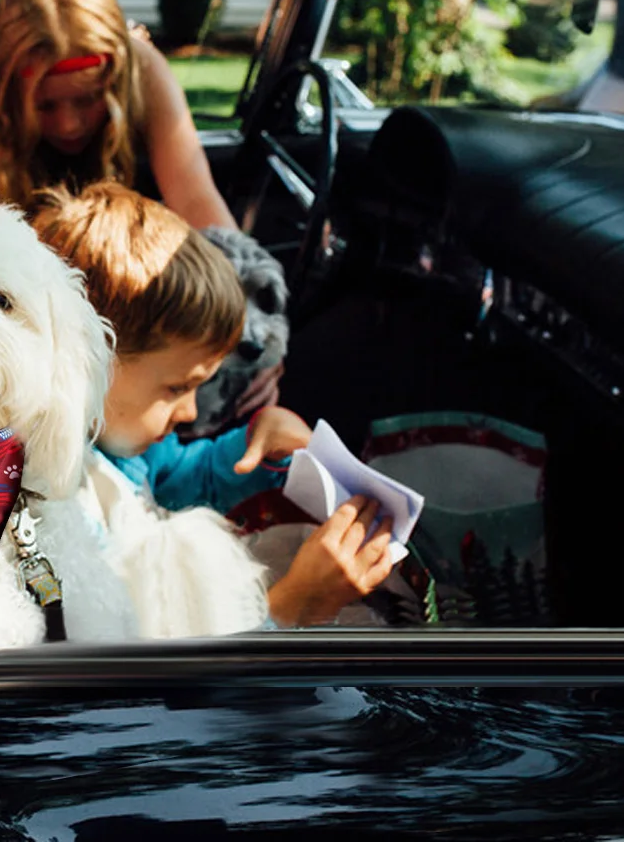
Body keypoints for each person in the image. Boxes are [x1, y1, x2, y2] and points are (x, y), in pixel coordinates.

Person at [30, 181, 395, 627]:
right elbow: (142, 666)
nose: (189, 412)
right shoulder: (61, 512)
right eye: (176, 388)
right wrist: (293, 607)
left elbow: (181, 477)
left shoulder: (122, 442)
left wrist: (254, 447)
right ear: (83, 362)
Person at [0, 0, 237, 232]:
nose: (68, 124)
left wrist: (242, 282)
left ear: (117, 79)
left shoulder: (144, 70)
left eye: (88, 99)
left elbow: (195, 198)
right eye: (45, 106)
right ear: (9, 101)